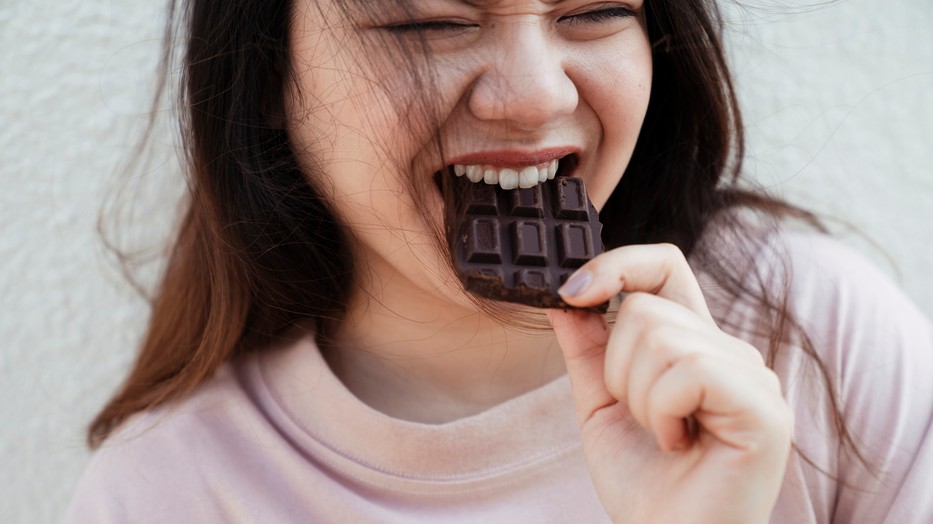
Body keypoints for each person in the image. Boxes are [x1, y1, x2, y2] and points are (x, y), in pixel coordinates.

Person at [67, 0, 933, 522]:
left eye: (594, 11)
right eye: (429, 21)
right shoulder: (166, 493)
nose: (535, 95)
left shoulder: (814, 339)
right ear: (263, 74)